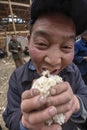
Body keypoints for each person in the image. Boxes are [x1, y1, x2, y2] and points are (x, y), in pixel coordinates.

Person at [3, 0, 87, 130]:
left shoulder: (73, 71)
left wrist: (76, 104)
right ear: (29, 41)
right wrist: (24, 123)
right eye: (42, 44)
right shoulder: (17, 77)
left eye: (66, 46)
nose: (53, 61)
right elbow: (9, 116)